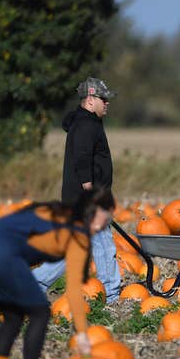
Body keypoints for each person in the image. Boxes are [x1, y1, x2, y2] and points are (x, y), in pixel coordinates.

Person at [0, 187, 116, 359]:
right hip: (1, 254)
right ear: (93, 212)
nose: (103, 226)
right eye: (105, 219)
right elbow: (74, 290)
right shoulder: (78, 236)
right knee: (40, 313)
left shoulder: (52, 210)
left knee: (13, 316)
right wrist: (82, 333)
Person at [33, 77, 121, 303]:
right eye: (104, 99)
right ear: (90, 100)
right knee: (103, 245)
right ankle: (111, 294)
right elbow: (83, 159)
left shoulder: (85, 123)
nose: (107, 103)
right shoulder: (85, 125)